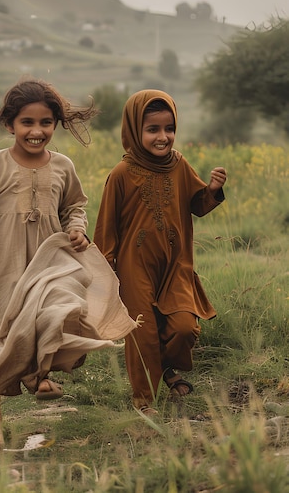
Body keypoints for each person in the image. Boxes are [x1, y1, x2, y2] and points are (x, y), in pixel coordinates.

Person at [0, 79, 138, 452]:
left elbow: (73, 205)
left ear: (56, 125)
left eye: (46, 122)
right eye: (27, 122)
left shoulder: (63, 165)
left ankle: (38, 372)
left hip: (49, 265)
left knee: (61, 308)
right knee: (0, 342)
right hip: (2, 269)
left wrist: (76, 228)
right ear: (9, 124)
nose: (37, 131)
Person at [93, 89, 227, 415]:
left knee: (184, 328)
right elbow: (106, 227)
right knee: (143, 332)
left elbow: (197, 203)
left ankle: (166, 368)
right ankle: (144, 398)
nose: (163, 137)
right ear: (134, 130)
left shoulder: (179, 164)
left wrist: (212, 190)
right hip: (133, 266)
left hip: (175, 264)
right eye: (153, 129)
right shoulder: (121, 174)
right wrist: (104, 268)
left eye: (169, 129)